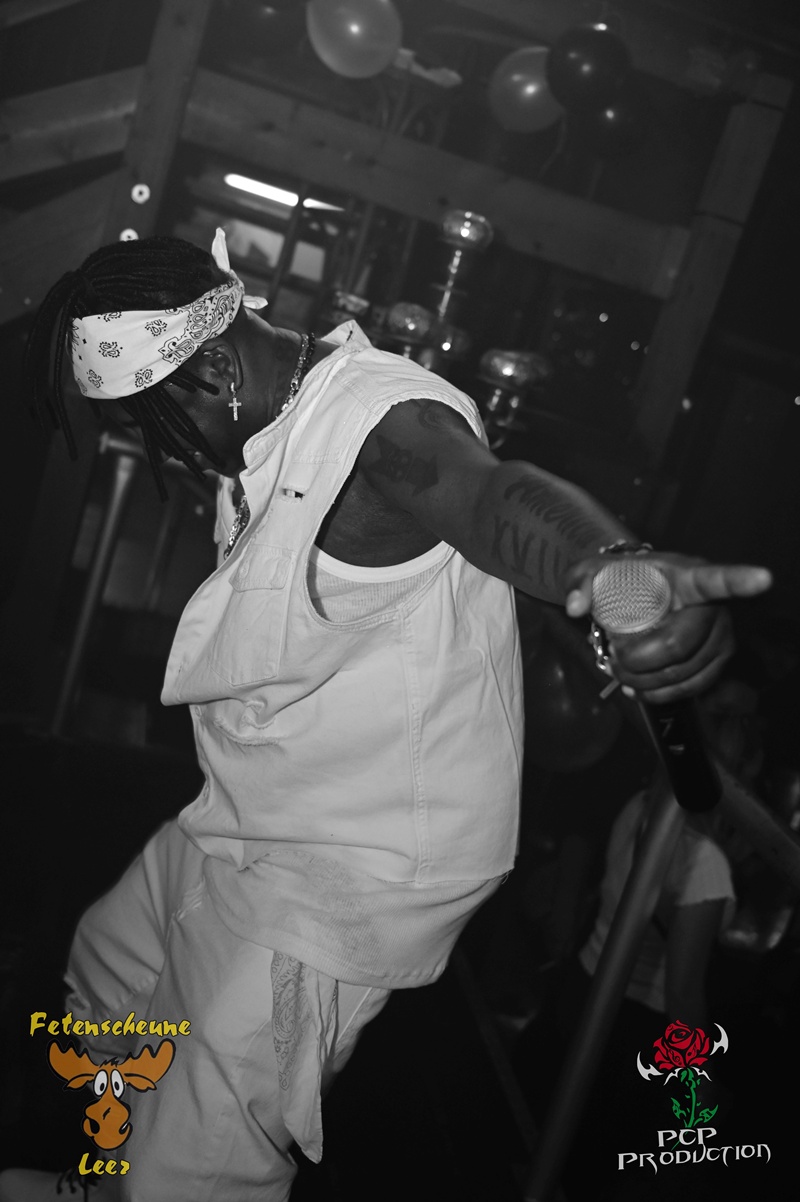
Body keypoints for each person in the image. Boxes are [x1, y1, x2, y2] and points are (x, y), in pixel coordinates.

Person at [0, 229, 771, 1202]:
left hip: (343, 867)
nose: (171, 455)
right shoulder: (280, 402)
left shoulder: (379, 431)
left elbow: (489, 496)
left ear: (219, 371)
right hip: (256, 810)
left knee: (190, 1167)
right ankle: (112, 1182)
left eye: (159, 429)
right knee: (108, 979)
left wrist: (620, 577)